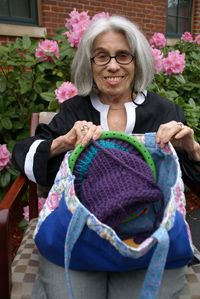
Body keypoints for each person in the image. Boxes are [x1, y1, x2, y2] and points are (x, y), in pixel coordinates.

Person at [12, 15, 200, 299]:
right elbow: (24, 154)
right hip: (79, 239)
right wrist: (63, 142)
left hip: (146, 240)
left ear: (137, 62)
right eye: (102, 56)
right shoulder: (75, 111)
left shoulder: (165, 112)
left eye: (123, 55)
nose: (113, 66)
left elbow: (190, 179)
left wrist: (191, 148)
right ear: (90, 63)